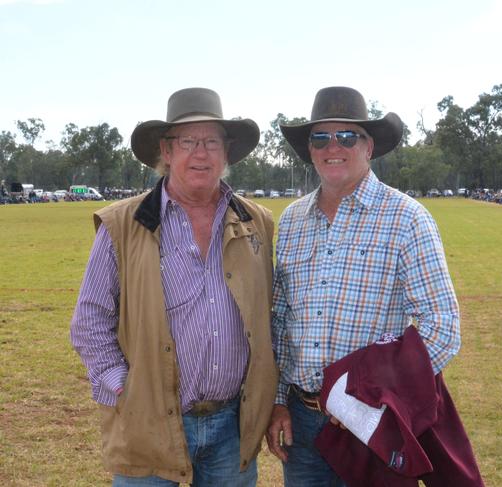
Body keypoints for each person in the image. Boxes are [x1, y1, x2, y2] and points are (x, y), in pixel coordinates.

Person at [70, 88, 277, 486]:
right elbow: (90, 320)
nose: (200, 153)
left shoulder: (257, 222)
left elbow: (271, 312)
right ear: (166, 151)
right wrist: (122, 386)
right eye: (188, 142)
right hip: (147, 422)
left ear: (226, 152)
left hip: (231, 424)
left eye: (211, 142)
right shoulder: (123, 224)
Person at [266, 87, 463, 485]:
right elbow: (281, 321)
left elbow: (442, 327)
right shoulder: (290, 222)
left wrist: (370, 396)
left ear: (369, 147)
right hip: (303, 425)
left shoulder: (407, 218)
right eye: (320, 137)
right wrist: (276, 402)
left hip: (373, 426)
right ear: (310, 150)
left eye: (346, 136)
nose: (332, 146)